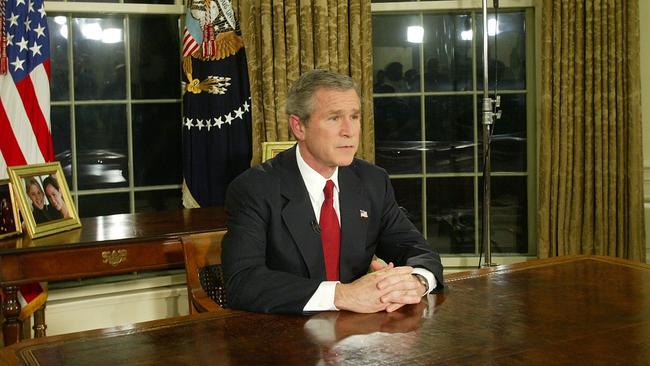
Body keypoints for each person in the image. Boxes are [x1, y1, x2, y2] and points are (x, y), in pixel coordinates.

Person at [222, 69, 443, 314]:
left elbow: (418, 250)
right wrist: (343, 295)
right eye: (334, 118)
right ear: (299, 127)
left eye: (355, 117)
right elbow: (243, 282)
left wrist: (415, 282)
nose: (349, 131)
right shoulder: (254, 188)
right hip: (287, 335)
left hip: (362, 335)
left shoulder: (372, 180)